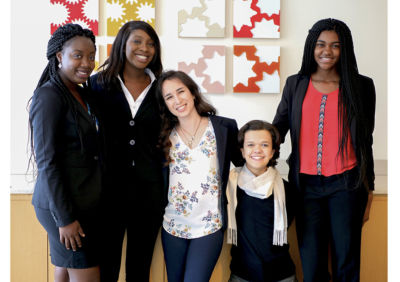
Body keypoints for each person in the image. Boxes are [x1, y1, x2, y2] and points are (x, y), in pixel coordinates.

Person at [273, 18, 375, 282]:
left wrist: (370, 188)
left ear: (345, 49)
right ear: (311, 47)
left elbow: (366, 141)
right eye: (320, 44)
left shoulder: (362, 87)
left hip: (347, 185)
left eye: (335, 45)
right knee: (312, 260)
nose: (326, 51)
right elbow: (277, 130)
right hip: (305, 187)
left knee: (346, 260)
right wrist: (251, 161)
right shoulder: (295, 84)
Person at [90, 21, 164, 281]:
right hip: (107, 191)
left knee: (139, 267)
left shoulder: (163, 88)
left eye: (151, 43)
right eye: (138, 41)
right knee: (106, 265)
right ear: (122, 43)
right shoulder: (96, 85)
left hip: (150, 192)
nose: (145, 48)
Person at [28, 24, 103, 282]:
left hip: (80, 202)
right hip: (62, 207)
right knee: (85, 272)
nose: (87, 63)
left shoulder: (81, 94)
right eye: (78, 55)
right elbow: (47, 162)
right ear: (59, 56)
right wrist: (66, 219)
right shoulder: (50, 96)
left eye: (92, 56)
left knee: (65, 269)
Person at [155, 70, 244, 282]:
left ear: (193, 92)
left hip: (209, 224)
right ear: (165, 104)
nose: (177, 100)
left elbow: (243, 165)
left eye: (181, 91)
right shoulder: (163, 135)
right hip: (173, 225)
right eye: (169, 97)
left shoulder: (224, 127)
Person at [226, 120, 296, 282]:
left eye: (264, 145)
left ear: (272, 152)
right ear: (242, 151)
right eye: (250, 145)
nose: (257, 150)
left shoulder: (287, 190)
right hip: (242, 275)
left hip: (282, 275)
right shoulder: (229, 186)